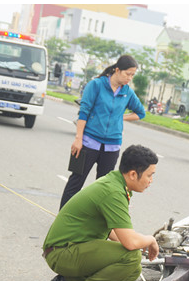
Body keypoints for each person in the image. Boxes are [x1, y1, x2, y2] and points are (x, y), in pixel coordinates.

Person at [43, 144, 160, 281]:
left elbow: (115, 232)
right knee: (132, 256)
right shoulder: (112, 191)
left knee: (133, 269)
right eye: (150, 175)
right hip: (62, 253)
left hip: (67, 250)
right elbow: (129, 243)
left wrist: (133, 243)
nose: (151, 180)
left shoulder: (115, 184)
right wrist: (150, 239)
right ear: (133, 174)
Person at [59, 55, 145, 209]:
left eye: (133, 75)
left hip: (112, 147)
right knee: (76, 181)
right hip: (88, 142)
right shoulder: (96, 85)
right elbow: (84, 112)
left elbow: (140, 113)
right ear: (117, 70)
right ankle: (63, 218)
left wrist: (120, 117)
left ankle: (95, 225)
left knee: (103, 187)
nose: (130, 78)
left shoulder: (127, 92)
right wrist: (78, 139)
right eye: (128, 74)